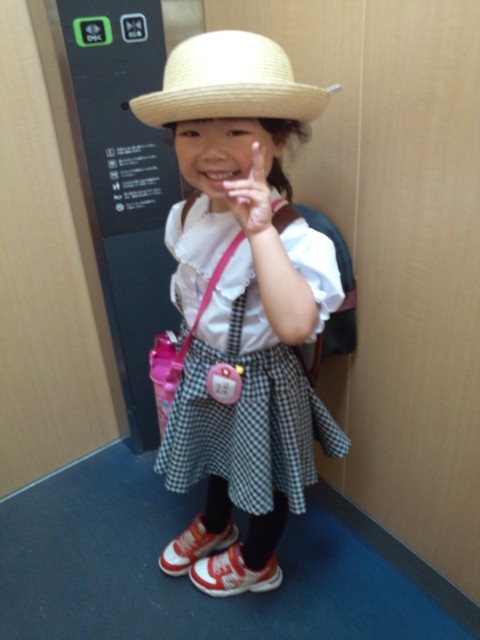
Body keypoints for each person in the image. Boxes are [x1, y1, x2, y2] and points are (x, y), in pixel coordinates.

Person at [129, 30, 351, 598]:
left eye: (234, 131)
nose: (210, 150)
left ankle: (257, 560)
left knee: (263, 476)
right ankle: (216, 523)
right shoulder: (188, 213)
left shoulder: (296, 237)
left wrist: (258, 232)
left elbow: (296, 326)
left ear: (277, 138)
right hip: (205, 368)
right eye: (191, 132)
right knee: (215, 453)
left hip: (260, 383)